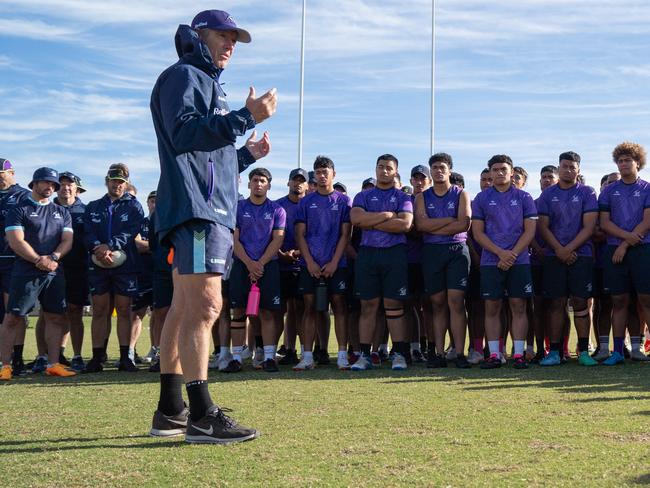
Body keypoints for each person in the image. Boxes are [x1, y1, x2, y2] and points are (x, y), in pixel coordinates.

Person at [149, 9, 276, 443]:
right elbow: (184, 135)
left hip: (203, 208)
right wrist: (246, 118)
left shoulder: (207, 82)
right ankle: (203, 416)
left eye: (235, 39)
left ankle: (171, 412)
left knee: (185, 308)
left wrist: (246, 156)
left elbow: (209, 158)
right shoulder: (186, 76)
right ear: (198, 34)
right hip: (198, 213)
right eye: (224, 35)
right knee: (206, 308)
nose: (230, 44)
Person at [0, 168, 75, 380]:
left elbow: (67, 240)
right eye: (45, 183)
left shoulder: (62, 212)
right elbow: (16, 240)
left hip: (53, 270)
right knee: (13, 317)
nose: (50, 187)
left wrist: (54, 258)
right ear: (34, 184)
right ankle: (5, 366)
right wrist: (37, 260)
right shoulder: (19, 209)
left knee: (55, 316)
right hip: (25, 271)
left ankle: (53, 364)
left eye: (53, 184)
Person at [471, 155, 537, 369]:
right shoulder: (481, 199)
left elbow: (530, 231)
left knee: (518, 306)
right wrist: (500, 253)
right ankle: (495, 355)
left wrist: (512, 254)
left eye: (503, 169)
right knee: (492, 306)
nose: (499, 173)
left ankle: (518, 354)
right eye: (495, 169)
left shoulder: (524, 197)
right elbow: (478, 233)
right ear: (490, 173)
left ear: (511, 171)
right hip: (492, 261)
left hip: (519, 261)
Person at [350, 154, 413, 370]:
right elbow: (357, 220)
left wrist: (371, 221)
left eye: (389, 168)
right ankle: (365, 355)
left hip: (394, 254)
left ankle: (399, 354)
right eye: (380, 167)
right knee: (368, 306)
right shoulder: (363, 195)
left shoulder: (404, 197)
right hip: (368, 253)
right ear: (375, 169)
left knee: (394, 306)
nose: (384, 171)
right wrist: (386, 215)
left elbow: (404, 224)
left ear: (395, 171)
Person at [537, 152, 599, 366]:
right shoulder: (547, 195)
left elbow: (590, 226)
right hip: (555, 257)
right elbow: (542, 226)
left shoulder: (587, 192)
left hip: (580, 255)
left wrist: (569, 249)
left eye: (572, 167)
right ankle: (554, 352)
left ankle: (583, 351)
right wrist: (559, 249)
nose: (568, 170)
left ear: (578, 170)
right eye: (564, 166)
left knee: (581, 303)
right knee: (556, 303)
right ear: (559, 168)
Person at [83, 164, 144, 373]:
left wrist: (110, 246)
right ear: (106, 181)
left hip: (125, 264)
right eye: (113, 180)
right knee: (100, 310)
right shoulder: (93, 206)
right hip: (98, 263)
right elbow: (87, 231)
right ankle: (97, 357)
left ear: (126, 184)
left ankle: (126, 357)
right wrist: (98, 248)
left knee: (124, 310)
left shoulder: (134, 207)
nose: (116, 185)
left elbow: (131, 231)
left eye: (120, 182)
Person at [294, 156, 352, 371]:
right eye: (318, 172)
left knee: (339, 307)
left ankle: (343, 355)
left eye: (325, 171)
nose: (321, 175)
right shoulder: (306, 202)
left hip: (337, 264)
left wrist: (334, 262)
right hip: (310, 265)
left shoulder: (344, 201)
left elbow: (346, 235)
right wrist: (309, 262)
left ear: (333, 174)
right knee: (309, 307)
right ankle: (307, 356)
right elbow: (300, 235)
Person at [415, 153, 471, 368]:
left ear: (449, 170)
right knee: (437, 304)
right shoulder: (422, 197)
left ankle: (458, 353)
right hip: (431, 252)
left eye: (442, 167)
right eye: (435, 167)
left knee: (456, 302)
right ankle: (437, 353)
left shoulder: (461, 194)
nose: (438, 170)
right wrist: (449, 220)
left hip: (457, 250)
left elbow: (463, 224)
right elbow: (420, 226)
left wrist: (435, 224)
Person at [598, 142, 650, 364]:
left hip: (642, 248)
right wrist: (621, 242)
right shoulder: (609, 191)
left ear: (638, 162)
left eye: (628, 160)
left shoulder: (647, 188)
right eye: (620, 161)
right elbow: (604, 223)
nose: (623, 164)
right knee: (618, 300)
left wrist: (625, 244)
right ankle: (618, 351)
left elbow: (647, 221)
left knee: (646, 299)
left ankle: (642, 347)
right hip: (614, 251)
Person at [228, 168, 285, 373]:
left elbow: (278, 238)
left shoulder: (278, 210)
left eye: (262, 181)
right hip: (242, 265)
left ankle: (268, 357)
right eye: (255, 180)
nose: (258, 184)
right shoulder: (237, 208)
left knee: (267, 312)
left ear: (269, 185)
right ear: (249, 184)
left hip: (268, 266)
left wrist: (259, 263)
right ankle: (236, 358)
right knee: (239, 311)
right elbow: (234, 239)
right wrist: (249, 263)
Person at [54, 172, 87, 372]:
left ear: (77, 188)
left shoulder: (86, 210)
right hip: (52, 266)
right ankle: (49, 355)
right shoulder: (48, 208)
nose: (66, 188)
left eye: (70, 185)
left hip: (78, 268)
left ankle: (77, 355)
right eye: (62, 185)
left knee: (75, 311)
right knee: (51, 313)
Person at [0, 158, 31, 375]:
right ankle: (4, 359)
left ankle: (17, 358)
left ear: (12, 173)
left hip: (14, 261)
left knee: (14, 311)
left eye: (1, 175)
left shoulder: (23, 196)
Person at [275, 168, 308, 366]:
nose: (298, 184)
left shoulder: (310, 204)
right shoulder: (278, 206)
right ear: (288, 183)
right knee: (278, 309)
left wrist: (297, 253)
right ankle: (285, 349)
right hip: (278, 263)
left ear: (306, 184)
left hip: (302, 264)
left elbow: (315, 235)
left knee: (300, 309)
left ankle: (303, 351)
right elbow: (270, 236)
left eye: (301, 180)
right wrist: (281, 254)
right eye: (294, 180)